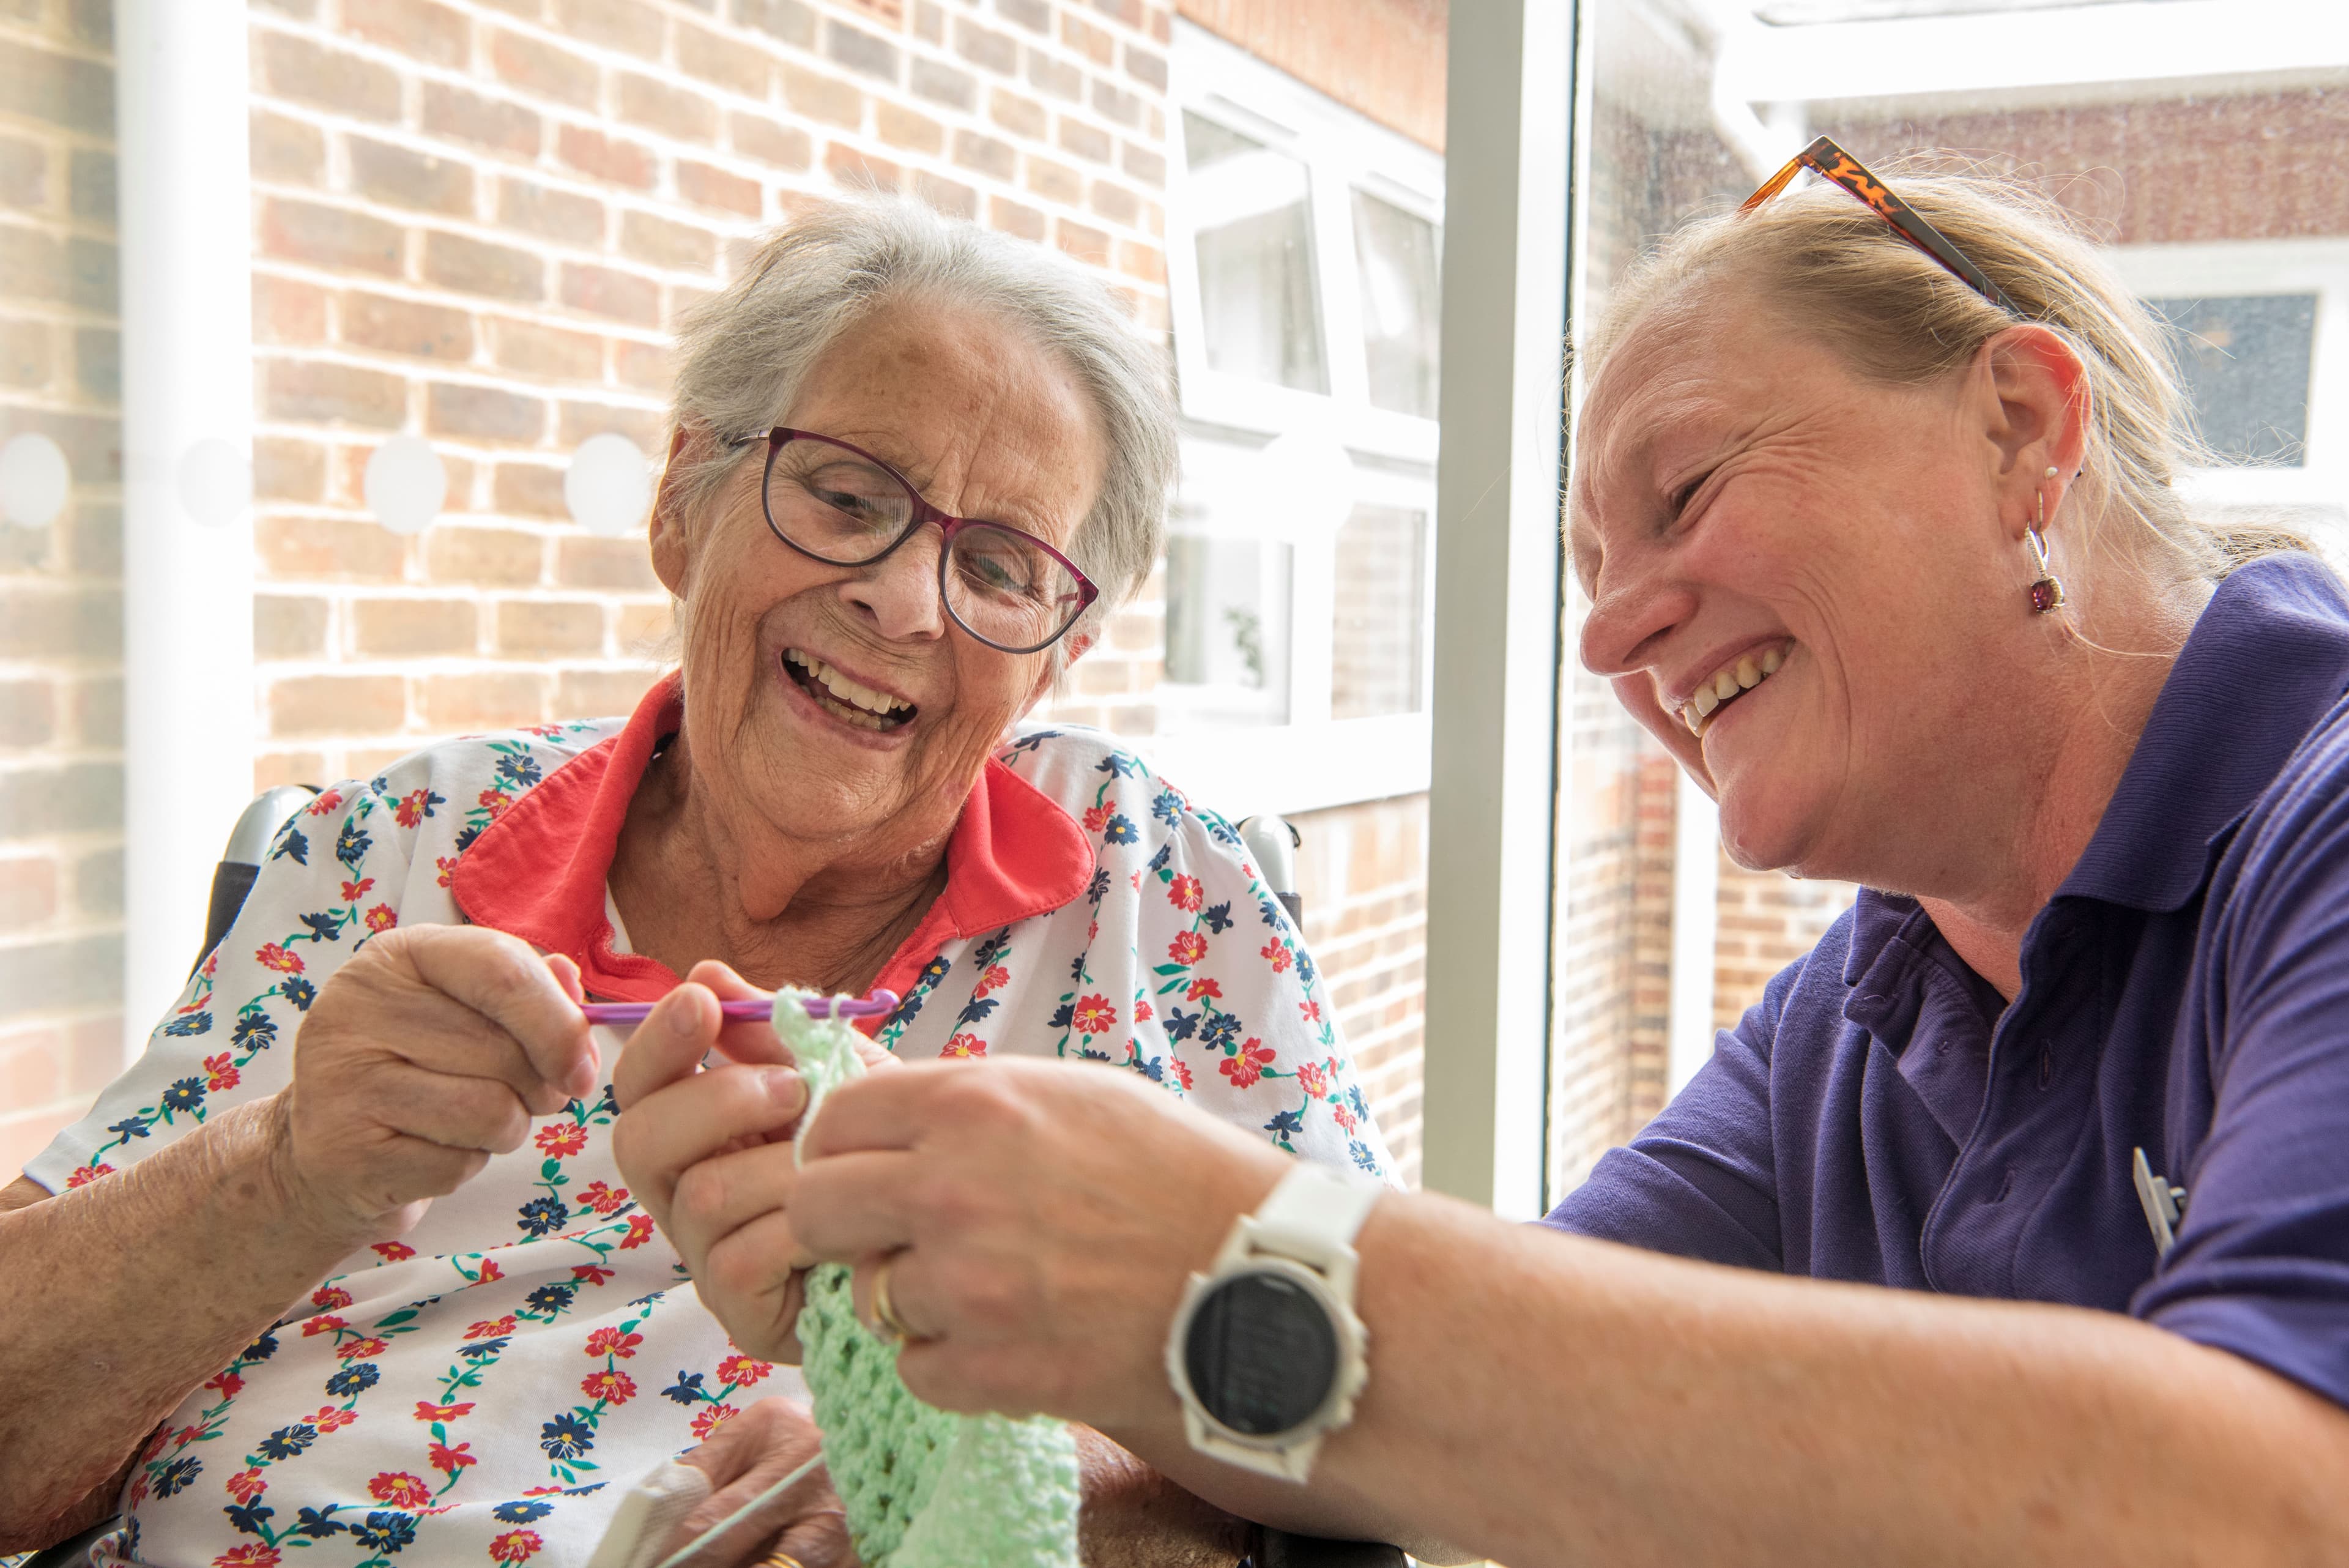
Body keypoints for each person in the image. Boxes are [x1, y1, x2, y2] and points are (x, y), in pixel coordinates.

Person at [625, 149, 2349, 1566]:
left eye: (1683, 491)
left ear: (2023, 431)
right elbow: (1460, 1413)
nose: (1607, 637)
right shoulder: (1855, 1019)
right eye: (1590, 560)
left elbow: (2281, 1503)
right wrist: (1028, 1469)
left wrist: (1214, 1259)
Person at [0, 198, 1390, 1565]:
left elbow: (1381, 1396)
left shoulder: (1158, 894)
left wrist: (998, 1457)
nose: (905, 603)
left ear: (1056, 657)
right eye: (848, 496)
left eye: (1001, 566)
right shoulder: (397, 846)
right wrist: (285, 1167)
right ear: (682, 502)